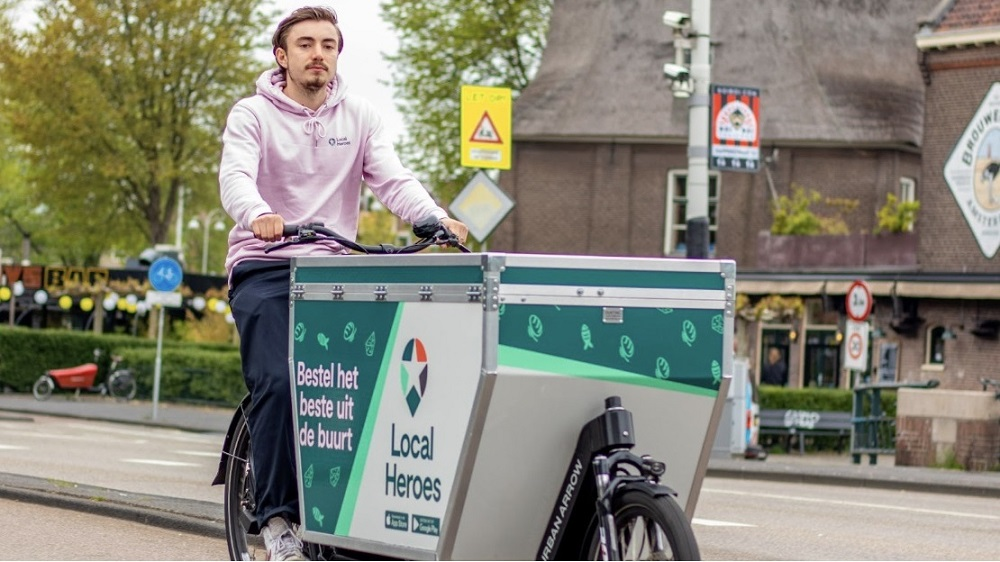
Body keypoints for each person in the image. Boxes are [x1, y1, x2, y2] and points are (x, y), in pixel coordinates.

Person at [218, 6, 468, 560]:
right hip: (267, 266)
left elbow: (392, 178)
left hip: (334, 271)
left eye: (328, 45)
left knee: (370, 388)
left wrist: (433, 218)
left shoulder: (359, 116)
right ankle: (278, 519)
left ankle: (357, 512)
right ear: (281, 57)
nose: (318, 54)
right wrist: (258, 212)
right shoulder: (252, 115)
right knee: (281, 383)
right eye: (305, 44)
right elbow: (235, 175)